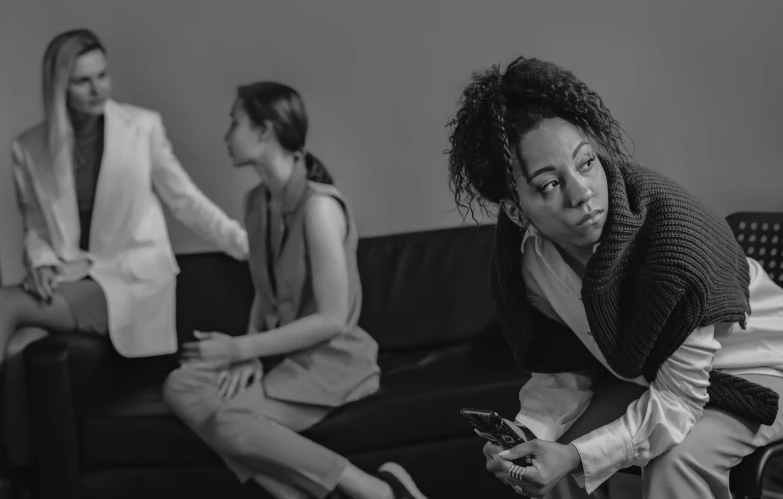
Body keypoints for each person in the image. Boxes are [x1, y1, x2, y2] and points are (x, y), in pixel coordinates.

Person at [444, 56, 783, 499]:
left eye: (586, 163)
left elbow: (679, 402)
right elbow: (564, 367)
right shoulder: (528, 266)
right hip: (652, 378)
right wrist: (528, 429)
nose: (582, 193)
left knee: (675, 463)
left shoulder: (675, 242)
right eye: (550, 185)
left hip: (758, 367)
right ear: (514, 210)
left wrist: (578, 456)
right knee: (548, 463)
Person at [163, 82, 426, 499]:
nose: (227, 135)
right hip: (283, 358)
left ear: (265, 131)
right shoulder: (255, 203)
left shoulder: (320, 208)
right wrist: (252, 352)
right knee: (180, 385)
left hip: (333, 361)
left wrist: (241, 350)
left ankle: (379, 492)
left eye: (235, 122)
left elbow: (332, 319)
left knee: (229, 422)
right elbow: (263, 292)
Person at [1, 28, 249, 471]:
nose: (98, 88)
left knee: (3, 304)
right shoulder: (29, 148)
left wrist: (248, 246)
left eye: (103, 75)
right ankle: (19, 478)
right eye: (83, 80)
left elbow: (185, 201)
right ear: (59, 86)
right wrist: (39, 261)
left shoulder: (142, 127)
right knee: (19, 349)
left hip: (131, 280)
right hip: (72, 278)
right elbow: (35, 225)